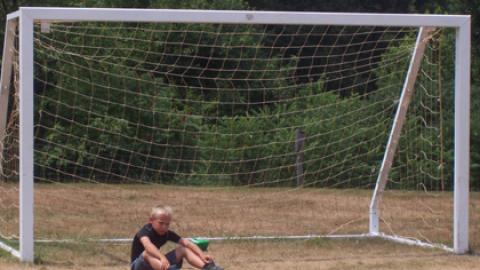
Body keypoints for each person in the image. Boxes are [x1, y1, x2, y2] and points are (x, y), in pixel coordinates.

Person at [130, 205, 224, 270]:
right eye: (161, 223)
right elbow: (148, 246)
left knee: (183, 249)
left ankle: (207, 267)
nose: (164, 227)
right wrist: (162, 257)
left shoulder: (166, 233)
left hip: (157, 264)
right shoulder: (145, 231)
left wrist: (202, 255)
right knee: (146, 252)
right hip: (138, 266)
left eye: (167, 224)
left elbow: (187, 243)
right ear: (151, 220)